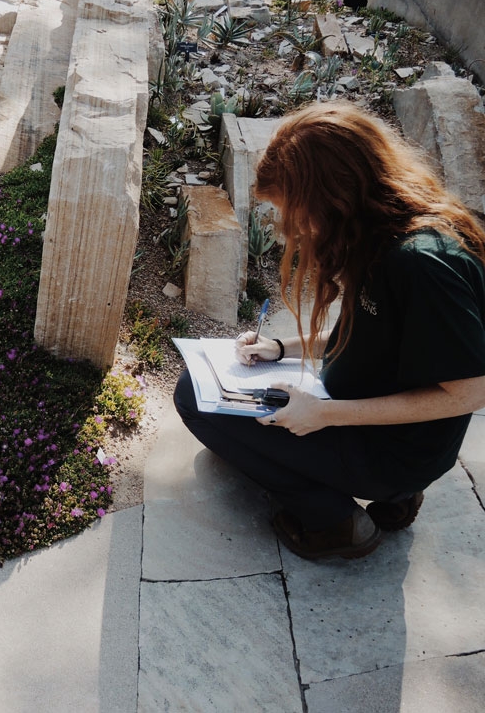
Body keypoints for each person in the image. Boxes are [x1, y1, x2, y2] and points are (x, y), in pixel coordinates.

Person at [174, 102, 485, 560]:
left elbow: (469, 393)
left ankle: (333, 523)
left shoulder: (419, 264)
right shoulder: (382, 232)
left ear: (331, 196)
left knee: (192, 396)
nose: (295, 232)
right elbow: (370, 333)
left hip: (391, 451)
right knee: (215, 389)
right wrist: (280, 347)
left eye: (296, 217)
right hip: (382, 435)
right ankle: (396, 499)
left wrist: (326, 415)